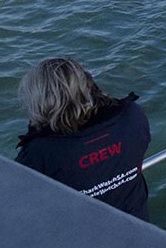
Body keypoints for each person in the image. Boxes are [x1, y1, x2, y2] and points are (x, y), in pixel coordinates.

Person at [15, 57, 151, 220]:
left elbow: (19, 197)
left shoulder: (38, 151)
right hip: (140, 229)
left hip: (83, 239)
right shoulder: (133, 116)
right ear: (88, 84)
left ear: (40, 101)